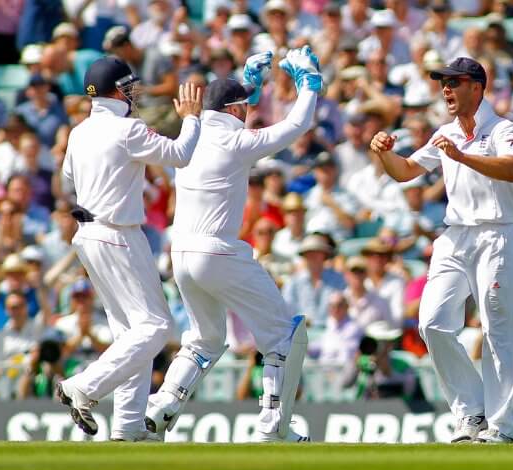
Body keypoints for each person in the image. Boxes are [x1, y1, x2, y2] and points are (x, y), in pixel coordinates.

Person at [144, 47, 323, 443]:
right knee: (286, 336)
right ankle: (274, 424)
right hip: (217, 252)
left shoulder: (188, 136)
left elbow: (231, 111)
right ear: (238, 111)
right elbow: (298, 124)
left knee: (204, 340)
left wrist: (250, 88)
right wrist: (309, 83)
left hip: (181, 256)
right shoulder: (236, 142)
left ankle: (159, 410)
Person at [370, 57, 513, 443]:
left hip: (498, 234)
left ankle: (502, 427)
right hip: (456, 236)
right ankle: (471, 412)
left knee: (497, 329)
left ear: (477, 86)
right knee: (432, 322)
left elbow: (511, 169)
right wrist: (383, 152)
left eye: (453, 82)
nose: (446, 90)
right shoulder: (444, 132)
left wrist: (462, 157)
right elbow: (405, 171)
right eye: (443, 83)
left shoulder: (505, 128)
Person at [56, 56, 203, 442]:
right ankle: (84, 387)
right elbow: (180, 155)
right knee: (156, 326)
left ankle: (128, 425)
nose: (134, 93)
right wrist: (191, 118)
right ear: (117, 90)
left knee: (131, 334)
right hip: (118, 234)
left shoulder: (79, 132)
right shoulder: (128, 129)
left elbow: (67, 179)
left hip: (88, 234)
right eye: (130, 87)